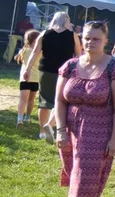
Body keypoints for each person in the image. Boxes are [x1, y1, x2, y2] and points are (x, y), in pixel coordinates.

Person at [54, 21, 115, 197]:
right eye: (86, 38)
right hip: (70, 130)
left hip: (97, 132)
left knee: (81, 178)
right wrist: (59, 129)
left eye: (96, 39)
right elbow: (59, 100)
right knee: (72, 173)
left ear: (106, 41)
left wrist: (114, 139)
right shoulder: (70, 66)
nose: (90, 42)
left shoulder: (114, 70)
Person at [23, 12, 83, 142]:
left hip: (45, 70)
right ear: (67, 21)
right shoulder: (72, 35)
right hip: (65, 72)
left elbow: (34, 53)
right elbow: (78, 56)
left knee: (44, 101)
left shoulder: (44, 34)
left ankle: (42, 133)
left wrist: (27, 69)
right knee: (62, 100)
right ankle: (50, 124)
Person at [15, 29, 41, 125]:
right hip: (36, 79)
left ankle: (19, 119)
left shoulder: (24, 50)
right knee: (31, 100)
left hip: (24, 78)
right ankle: (27, 117)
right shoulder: (39, 52)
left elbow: (16, 57)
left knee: (22, 100)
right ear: (36, 41)